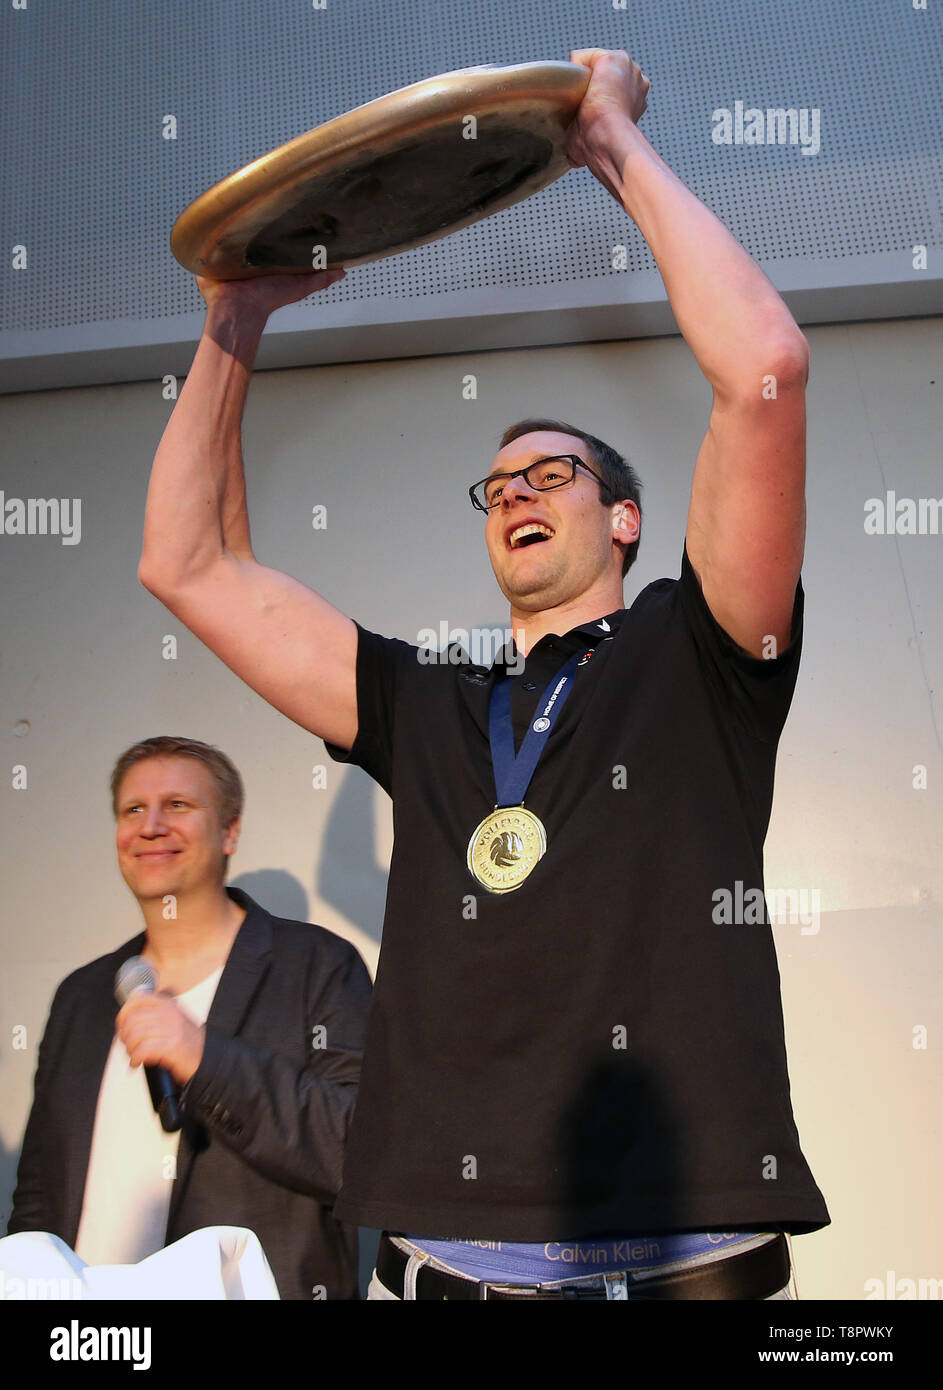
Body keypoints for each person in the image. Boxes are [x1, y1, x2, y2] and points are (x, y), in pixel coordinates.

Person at [136, 49, 829, 1299]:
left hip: (688, 1251)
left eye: (550, 473)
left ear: (624, 519)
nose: (513, 493)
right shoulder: (427, 706)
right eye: (496, 485)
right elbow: (190, 566)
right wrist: (232, 315)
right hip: (455, 1259)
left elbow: (765, 369)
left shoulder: (703, 651)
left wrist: (608, 140)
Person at [8, 736, 372, 1300]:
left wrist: (206, 1061)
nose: (150, 825)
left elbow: (360, 1153)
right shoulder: (81, 997)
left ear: (229, 831)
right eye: (133, 810)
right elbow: (37, 1194)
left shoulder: (318, 967)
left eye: (177, 805)